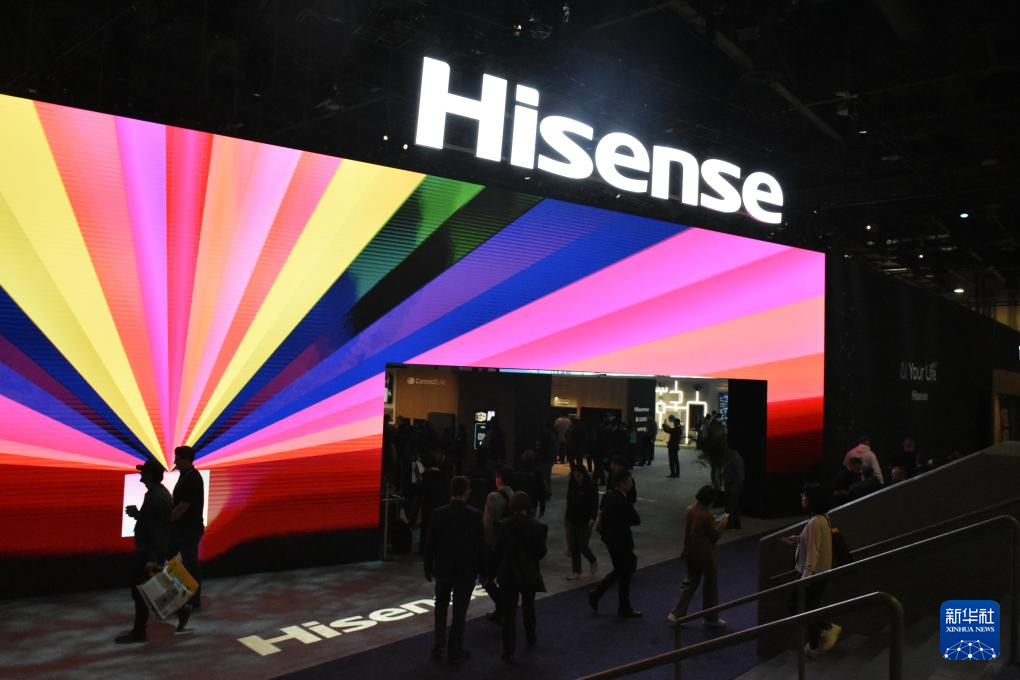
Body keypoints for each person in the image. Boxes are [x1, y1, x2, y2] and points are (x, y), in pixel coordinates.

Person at [424, 476, 486, 664]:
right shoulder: (475, 515)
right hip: (466, 570)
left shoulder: (438, 514)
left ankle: (438, 645)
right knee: (460, 610)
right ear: (466, 491)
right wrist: (483, 570)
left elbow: (430, 545)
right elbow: (480, 546)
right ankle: (454, 648)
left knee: (441, 606)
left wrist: (428, 566)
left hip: (443, 568)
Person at [116, 459, 173, 643]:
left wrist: (151, 558)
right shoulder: (158, 494)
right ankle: (140, 630)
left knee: (139, 592)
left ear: (149, 475)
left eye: (143, 472)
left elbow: (155, 529)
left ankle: (139, 632)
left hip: (149, 552)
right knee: (143, 591)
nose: (141, 474)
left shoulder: (156, 497)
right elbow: (153, 522)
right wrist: (139, 515)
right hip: (151, 551)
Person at [784, 482, 841, 657]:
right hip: (820, 573)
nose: (802, 498)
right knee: (809, 608)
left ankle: (827, 628)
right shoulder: (822, 518)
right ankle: (815, 645)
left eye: (804, 495)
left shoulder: (815, 522)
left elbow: (813, 553)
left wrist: (805, 578)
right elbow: (815, 542)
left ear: (812, 499)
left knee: (794, 605)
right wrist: (800, 539)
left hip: (813, 574)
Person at [496, 491, 548, 662]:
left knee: (509, 614)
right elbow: (541, 552)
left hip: (509, 573)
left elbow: (498, 550)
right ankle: (530, 637)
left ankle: (508, 650)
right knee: (529, 607)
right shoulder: (537, 526)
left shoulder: (503, 526)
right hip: (529, 572)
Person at [668, 485, 727, 628]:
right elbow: (714, 536)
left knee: (689, 584)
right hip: (706, 556)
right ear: (710, 501)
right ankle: (711, 618)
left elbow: (691, 532)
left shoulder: (690, 510)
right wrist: (722, 524)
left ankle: (676, 613)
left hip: (691, 553)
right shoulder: (706, 516)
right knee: (710, 588)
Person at [588, 470, 642, 617]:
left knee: (621, 571)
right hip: (622, 541)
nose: (632, 483)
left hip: (610, 540)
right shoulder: (623, 500)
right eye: (630, 481)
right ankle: (618, 604)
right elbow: (636, 519)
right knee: (624, 571)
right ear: (623, 483)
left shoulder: (608, 496)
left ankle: (601, 596)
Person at [170, 445, 204, 612]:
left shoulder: (192, 478)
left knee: (190, 564)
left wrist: (166, 520)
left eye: (177, 459)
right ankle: (187, 597)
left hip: (189, 529)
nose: (175, 462)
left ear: (185, 459)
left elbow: (184, 505)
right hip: (185, 528)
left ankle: (193, 599)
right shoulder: (187, 476)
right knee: (187, 563)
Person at [482, 466, 514, 622]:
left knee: (486, 579)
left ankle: (502, 607)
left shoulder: (493, 497)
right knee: (503, 579)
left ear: (499, 478)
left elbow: (488, 525)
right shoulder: (514, 495)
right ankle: (502, 609)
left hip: (495, 545)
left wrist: (488, 546)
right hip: (510, 545)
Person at [564, 464, 598, 580]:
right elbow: (569, 502)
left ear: (583, 475)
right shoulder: (572, 485)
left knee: (583, 545)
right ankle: (576, 571)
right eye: (575, 476)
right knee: (574, 546)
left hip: (586, 519)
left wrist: (593, 517)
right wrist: (567, 518)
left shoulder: (591, 485)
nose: (577, 478)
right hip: (573, 518)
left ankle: (592, 560)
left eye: (579, 476)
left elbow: (595, 503)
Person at [513, 450, 546, 518]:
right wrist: (542, 507)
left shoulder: (517, 471)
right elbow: (541, 490)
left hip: (518, 503)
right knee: (530, 521)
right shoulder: (536, 472)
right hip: (532, 503)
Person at [720, 448, 745, 529]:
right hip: (729, 484)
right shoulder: (730, 458)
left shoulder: (735, 459)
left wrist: (735, 486)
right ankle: (734, 523)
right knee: (731, 505)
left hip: (733, 485)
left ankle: (732, 523)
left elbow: (740, 475)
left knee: (732, 505)